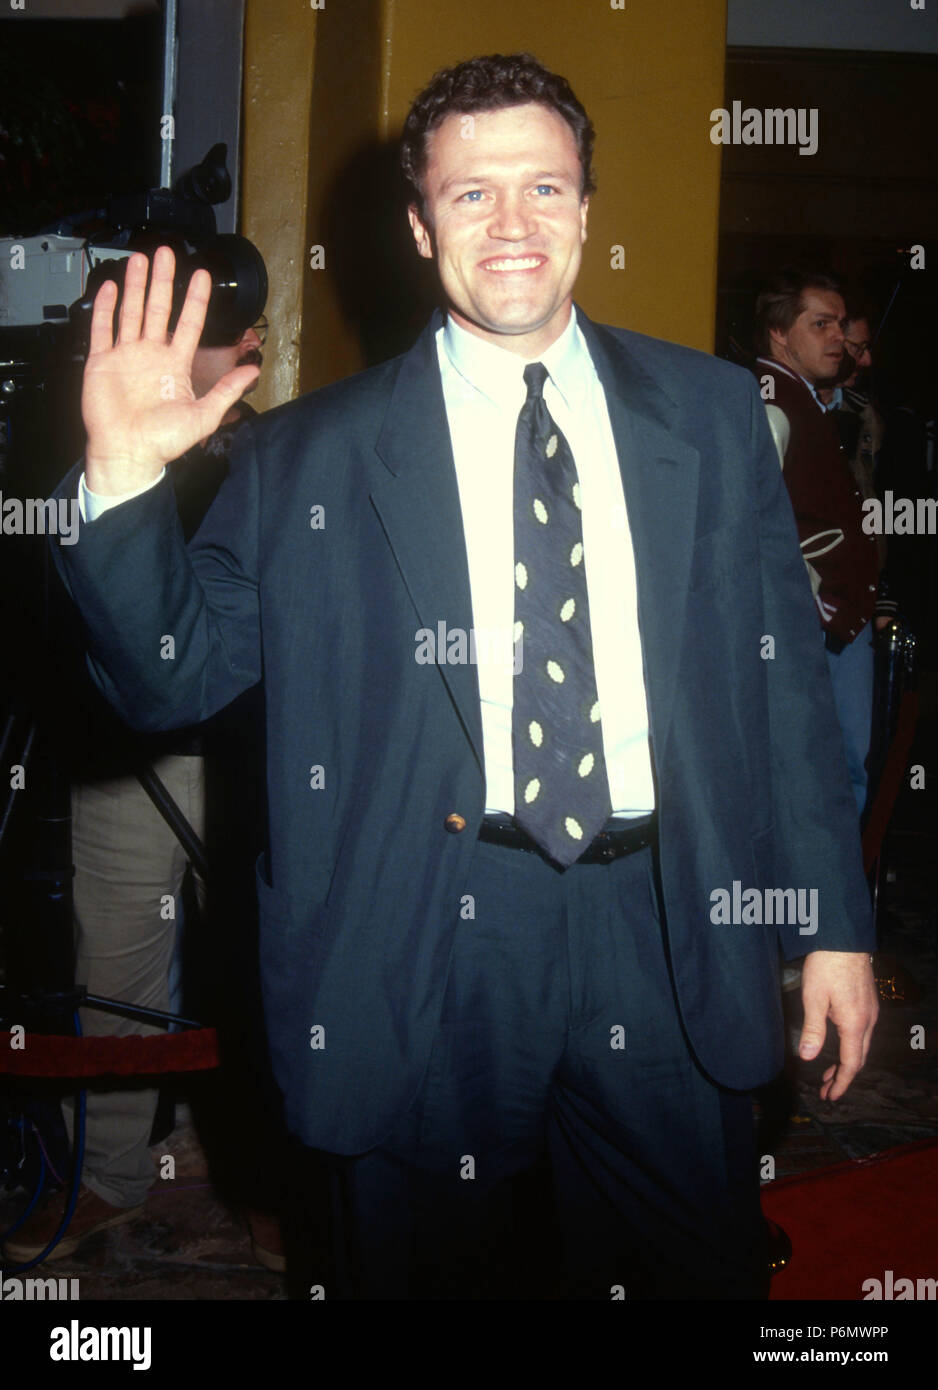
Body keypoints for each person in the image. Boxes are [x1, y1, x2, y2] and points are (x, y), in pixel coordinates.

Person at [47, 54, 877, 1300]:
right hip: (421, 939)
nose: (511, 224)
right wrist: (122, 484)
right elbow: (171, 680)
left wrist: (826, 922)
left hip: (664, 930)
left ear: (587, 211)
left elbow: (785, 697)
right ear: (418, 222)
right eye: (470, 194)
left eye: (543, 188)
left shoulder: (710, 417)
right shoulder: (308, 457)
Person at [2, 314, 271, 1267]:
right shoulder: (104, 427)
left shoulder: (282, 455)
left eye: (206, 324)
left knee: (261, 974)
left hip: (247, 766)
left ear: (250, 340)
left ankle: (270, 1189)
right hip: (122, 757)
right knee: (114, 967)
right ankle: (111, 1177)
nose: (176, 342)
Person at [753, 269, 880, 816]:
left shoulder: (812, 402)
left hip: (840, 621)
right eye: (820, 323)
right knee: (819, 778)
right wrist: (815, 605)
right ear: (781, 333)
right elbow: (751, 526)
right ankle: (820, 898)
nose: (838, 337)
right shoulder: (771, 402)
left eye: (841, 324)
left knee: (842, 770)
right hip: (815, 626)